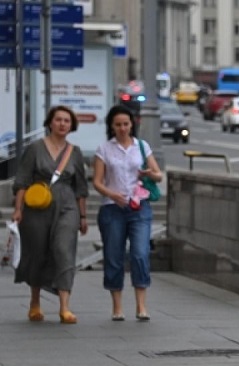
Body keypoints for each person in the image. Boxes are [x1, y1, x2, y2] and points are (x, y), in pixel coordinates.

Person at [11, 105, 88, 324]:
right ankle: (35, 301)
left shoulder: (75, 152)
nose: (62, 124)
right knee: (38, 253)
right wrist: (18, 210)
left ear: (71, 126)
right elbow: (22, 181)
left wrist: (82, 216)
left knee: (64, 250)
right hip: (37, 207)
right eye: (58, 120)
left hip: (67, 206)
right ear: (50, 123)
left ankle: (64, 307)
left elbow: (81, 187)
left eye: (67, 121)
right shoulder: (35, 148)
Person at [92, 105, 163, 322]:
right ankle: (117, 306)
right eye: (118, 125)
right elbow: (97, 182)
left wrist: (150, 173)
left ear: (132, 124)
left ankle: (141, 305)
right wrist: (112, 195)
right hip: (112, 208)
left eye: (126, 124)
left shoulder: (142, 146)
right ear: (111, 127)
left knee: (140, 253)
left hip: (139, 206)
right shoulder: (104, 149)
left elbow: (159, 175)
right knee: (114, 256)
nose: (122, 128)